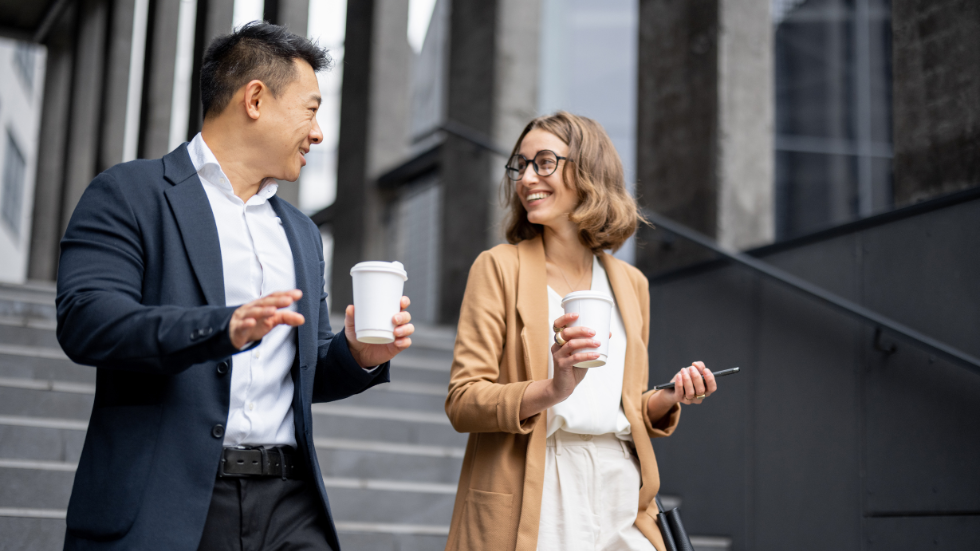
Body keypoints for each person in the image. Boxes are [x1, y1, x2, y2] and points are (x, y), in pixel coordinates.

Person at [55, 22, 413, 551]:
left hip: (290, 506)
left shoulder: (302, 233)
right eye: (311, 110)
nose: (318, 133)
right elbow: (88, 321)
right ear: (254, 99)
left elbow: (301, 371)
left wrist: (357, 355)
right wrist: (221, 326)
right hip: (170, 505)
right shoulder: (129, 194)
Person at [444, 112, 720, 551]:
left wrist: (669, 398)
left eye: (545, 162)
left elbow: (623, 404)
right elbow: (462, 401)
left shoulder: (631, 284)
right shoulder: (498, 267)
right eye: (520, 165)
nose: (527, 178)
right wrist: (552, 390)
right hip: (538, 481)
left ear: (589, 171)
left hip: (621, 486)